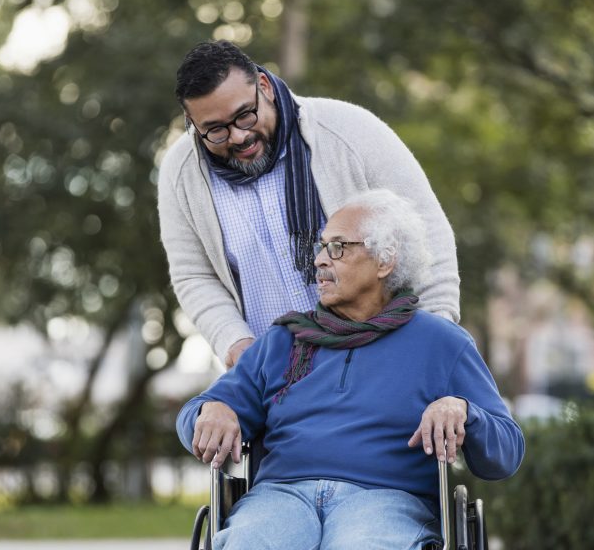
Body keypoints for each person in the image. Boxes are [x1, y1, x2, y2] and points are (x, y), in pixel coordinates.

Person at [176, 190, 524, 550]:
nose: (320, 260)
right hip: (281, 498)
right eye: (321, 246)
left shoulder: (441, 343)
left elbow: (507, 452)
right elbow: (193, 415)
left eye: (338, 247)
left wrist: (464, 411)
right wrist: (210, 410)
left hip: (386, 500)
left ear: (384, 261)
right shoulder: (284, 341)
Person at [158, 40, 460, 368]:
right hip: (278, 384)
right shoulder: (181, 173)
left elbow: (427, 235)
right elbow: (194, 275)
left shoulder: (351, 131)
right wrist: (235, 342)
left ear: (264, 86)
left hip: (383, 365)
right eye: (215, 130)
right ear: (191, 121)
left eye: (245, 115)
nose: (237, 136)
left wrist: (436, 341)